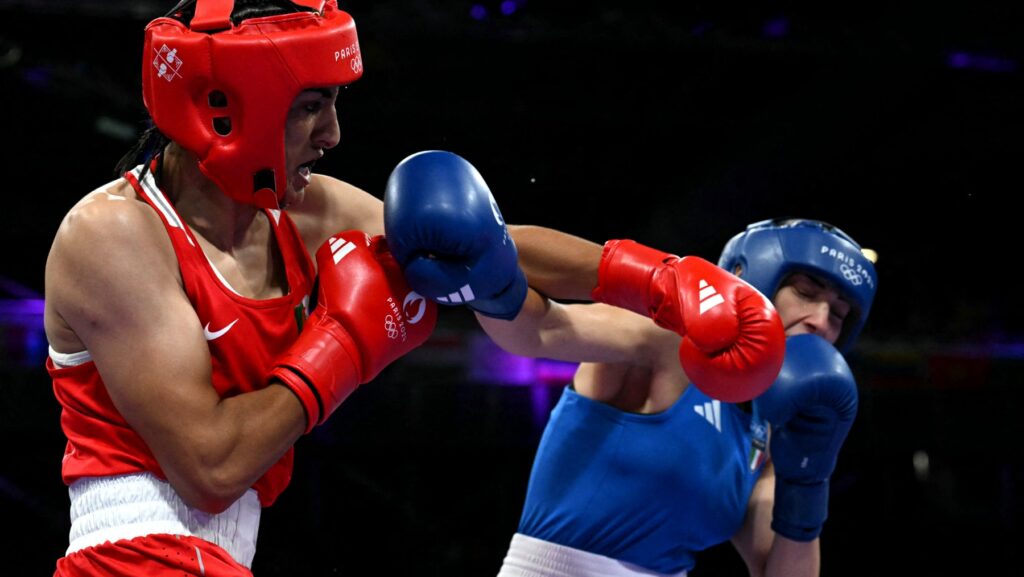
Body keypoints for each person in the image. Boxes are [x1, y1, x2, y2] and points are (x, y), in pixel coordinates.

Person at [43, 1, 441, 574]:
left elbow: (468, 244)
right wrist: (343, 345)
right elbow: (212, 469)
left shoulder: (303, 213)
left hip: (218, 558)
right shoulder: (113, 232)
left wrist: (589, 280)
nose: (331, 134)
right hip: (133, 560)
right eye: (310, 106)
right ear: (223, 109)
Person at [382, 157, 877, 577]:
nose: (821, 321)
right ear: (751, 280)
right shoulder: (667, 341)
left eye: (838, 314)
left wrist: (810, 477)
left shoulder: (772, 439)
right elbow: (543, 329)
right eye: (806, 293)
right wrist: (483, 268)